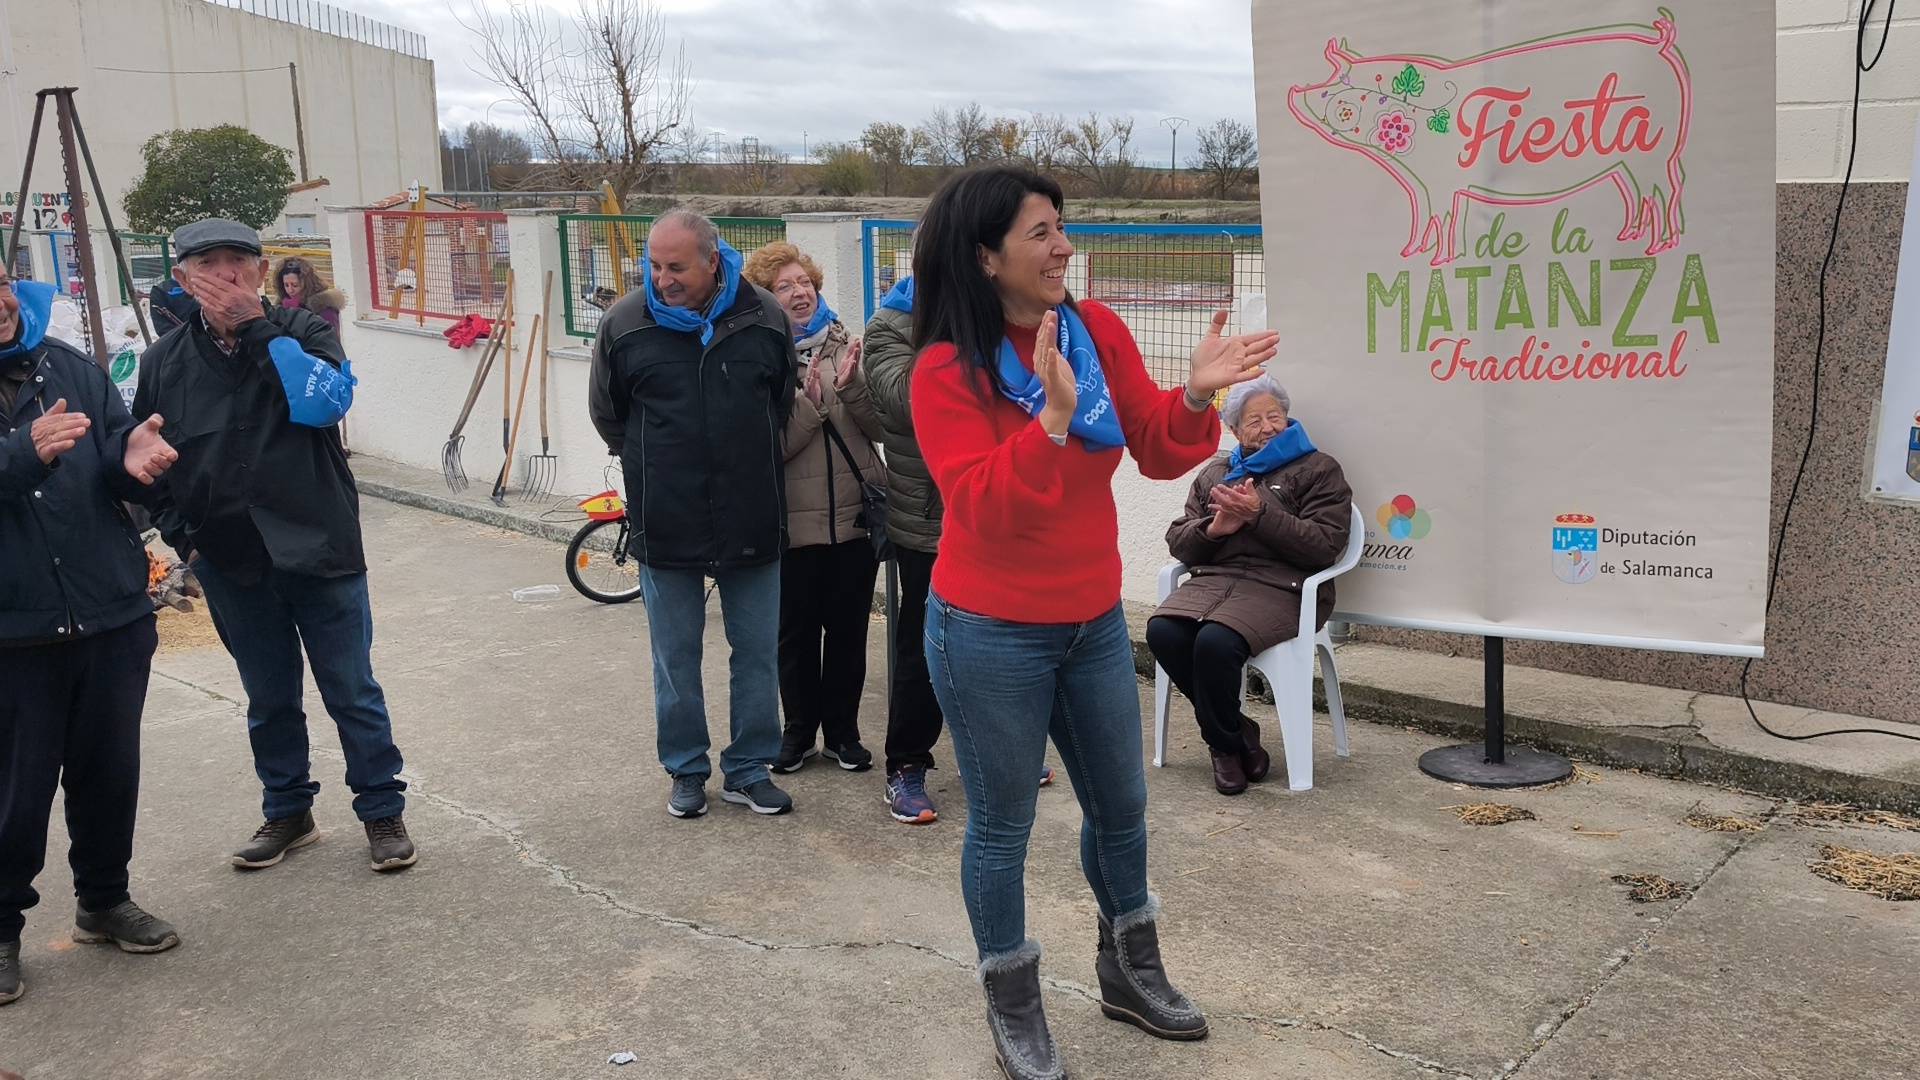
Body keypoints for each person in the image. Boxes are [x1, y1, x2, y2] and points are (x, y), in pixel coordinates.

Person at [910, 166, 1278, 1078]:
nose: (1063, 245)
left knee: (1122, 807)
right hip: (988, 628)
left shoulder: (1094, 329)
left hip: (1089, 619)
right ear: (986, 256)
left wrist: (1194, 396)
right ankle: (1013, 1001)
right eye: (1039, 232)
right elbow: (980, 507)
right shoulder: (944, 370)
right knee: (1001, 827)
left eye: (1061, 226)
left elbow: (1153, 444)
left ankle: (1131, 971)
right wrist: (1048, 427)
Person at [134, 218, 417, 875]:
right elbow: (149, 457)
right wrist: (183, 536)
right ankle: (288, 811)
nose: (228, 275)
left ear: (262, 274)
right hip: (231, 560)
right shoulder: (163, 363)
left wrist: (259, 328)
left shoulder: (304, 332)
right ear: (182, 280)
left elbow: (323, 406)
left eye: (240, 262)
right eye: (209, 265)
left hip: (320, 551)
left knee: (351, 691)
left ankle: (382, 812)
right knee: (268, 697)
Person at [1, 265, 183, 1007]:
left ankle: (104, 901)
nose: (2, 304)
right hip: (13, 635)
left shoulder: (67, 366)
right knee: (13, 795)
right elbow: (31, 462)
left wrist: (132, 465)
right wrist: (20, 454)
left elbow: (110, 461)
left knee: (110, 775)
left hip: (108, 616)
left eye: (0, 285)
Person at [588, 209, 800, 820]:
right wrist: (658, 468)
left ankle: (749, 768)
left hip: (753, 516)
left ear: (713, 260)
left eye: (676, 266)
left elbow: (779, 403)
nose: (662, 279)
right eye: (654, 266)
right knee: (675, 657)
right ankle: (686, 768)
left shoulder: (765, 317)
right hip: (666, 519)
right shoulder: (625, 324)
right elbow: (610, 416)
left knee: (756, 652)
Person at [865, 273, 1055, 825]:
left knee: (1007, 646)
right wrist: (962, 346)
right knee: (924, 650)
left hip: (998, 512)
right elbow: (906, 403)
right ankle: (905, 766)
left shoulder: (998, 317)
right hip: (930, 518)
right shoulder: (891, 327)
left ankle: (1009, 756)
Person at [1147, 375, 1352, 795]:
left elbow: (1324, 546)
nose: (1268, 427)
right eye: (1254, 421)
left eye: (1274, 416)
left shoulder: (1317, 469)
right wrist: (1214, 529)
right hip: (1215, 581)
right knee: (1162, 630)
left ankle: (1223, 750)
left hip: (1284, 586)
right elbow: (1178, 538)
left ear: (1287, 418)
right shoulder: (1216, 473)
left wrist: (1261, 514)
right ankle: (1234, 737)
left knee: (1216, 643)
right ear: (1235, 431)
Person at [742, 242, 884, 775]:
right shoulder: (760, 356)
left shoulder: (849, 346)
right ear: (766, 298)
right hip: (790, 526)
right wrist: (811, 405)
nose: (800, 293)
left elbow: (879, 433)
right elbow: (764, 449)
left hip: (853, 520)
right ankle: (798, 733)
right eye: (785, 286)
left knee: (848, 633)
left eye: (806, 283)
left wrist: (852, 392)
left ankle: (843, 734)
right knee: (795, 637)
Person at [273, 256, 345, 330]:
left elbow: (329, 339)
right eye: (286, 285)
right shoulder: (280, 307)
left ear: (307, 284)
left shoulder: (325, 309)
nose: (290, 290)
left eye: (295, 285)